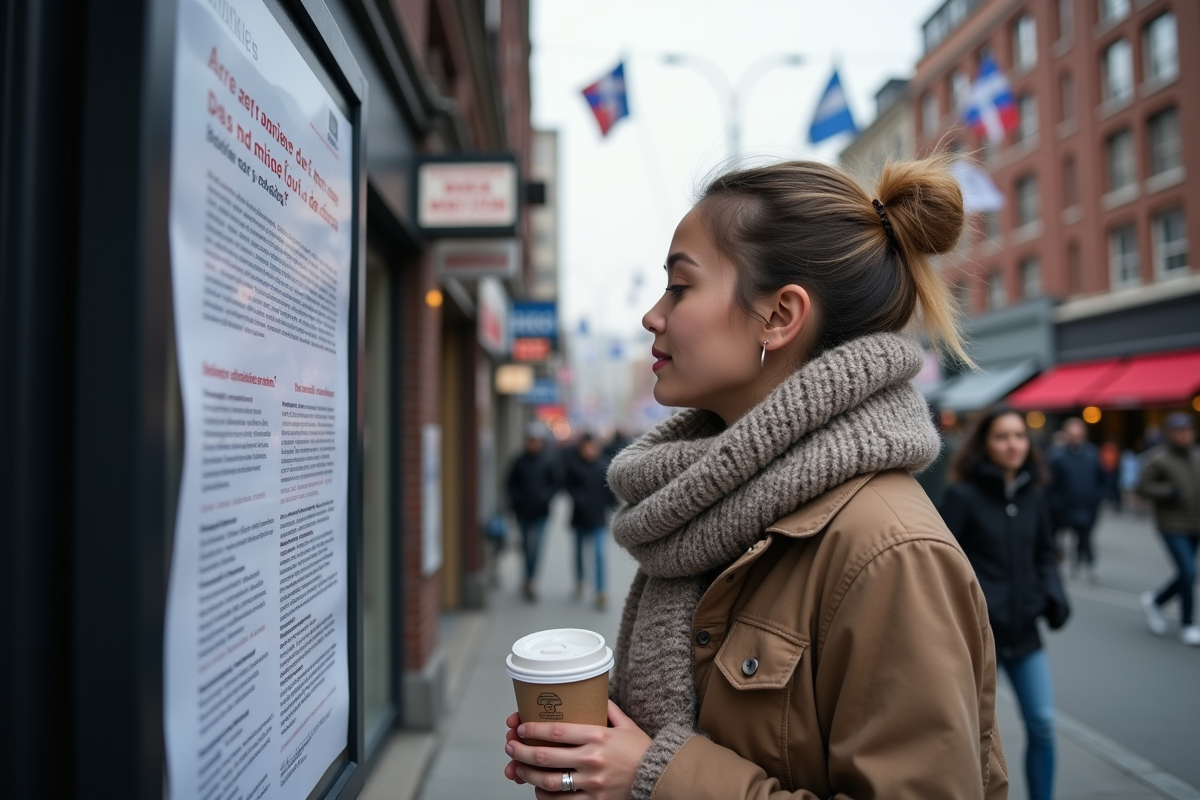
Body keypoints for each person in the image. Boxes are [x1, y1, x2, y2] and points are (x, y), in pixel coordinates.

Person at [502, 156, 1007, 799]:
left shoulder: (891, 550)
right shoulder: (707, 508)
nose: (652, 316)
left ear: (778, 317)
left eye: (680, 287)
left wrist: (654, 776)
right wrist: (599, 755)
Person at [940, 406, 1070, 800]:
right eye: (1002, 436)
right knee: (969, 740)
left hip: (1026, 635)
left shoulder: (1034, 493)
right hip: (981, 640)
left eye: (1019, 436)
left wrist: (1053, 596)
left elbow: (1045, 552)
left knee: (1043, 725)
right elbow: (944, 559)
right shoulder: (963, 496)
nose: (1013, 445)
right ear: (985, 444)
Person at [1136, 413, 1200, 646]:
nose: (1185, 434)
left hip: (1195, 524)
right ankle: (1187, 623)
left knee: (1188, 573)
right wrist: (1170, 492)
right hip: (1172, 524)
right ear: (1170, 433)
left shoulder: (1196, 455)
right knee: (1189, 572)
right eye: (1180, 430)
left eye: (1188, 429)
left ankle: (1156, 601)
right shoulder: (1158, 458)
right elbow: (1142, 487)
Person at [505, 424, 562, 601]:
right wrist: (516, 501)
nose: (533, 444)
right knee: (525, 546)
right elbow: (509, 484)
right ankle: (527, 577)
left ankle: (531, 580)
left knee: (535, 546)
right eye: (531, 440)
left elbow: (556, 483)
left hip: (541, 512)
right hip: (522, 511)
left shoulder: (548, 461)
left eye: (536, 441)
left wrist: (545, 497)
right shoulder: (518, 461)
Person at [1047, 418, 1106, 580]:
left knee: (1085, 537)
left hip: (1087, 506)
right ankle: (1061, 563)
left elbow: (1102, 478)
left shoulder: (1092, 454)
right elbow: (1051, 483)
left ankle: (1086, 564)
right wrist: (1056, 503)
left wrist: (1097, 497)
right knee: (1058, 536)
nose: (1076, 437)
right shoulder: (1057, 457)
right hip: (1064, 508)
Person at [564, 433, 617, 610]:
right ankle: (580, 580)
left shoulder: (603, 466)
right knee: (579, 553)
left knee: (599, 554)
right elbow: (568, 487)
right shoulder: (574, 466)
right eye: (588, 446)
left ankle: (601, 591)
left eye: (593, 446)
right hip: (579, 518)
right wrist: (580, 500)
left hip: (598, 519)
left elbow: (611, 493)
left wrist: (615, 507)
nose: (591, 450)